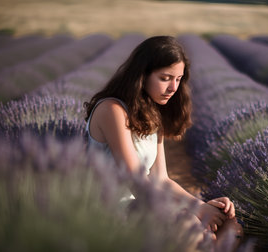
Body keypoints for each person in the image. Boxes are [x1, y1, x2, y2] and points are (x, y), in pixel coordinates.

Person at [83, 35, 242, 246]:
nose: (173, 88)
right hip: (111, 209)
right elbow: (134, 179)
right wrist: (195, 211)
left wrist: (202, 205)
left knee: (230, 225)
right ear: (142, 75)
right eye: (165, 78)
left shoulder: (152, 114)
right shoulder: (112, 110)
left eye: (179, 79)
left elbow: (161, 179)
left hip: (145, 202)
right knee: (192, 231)